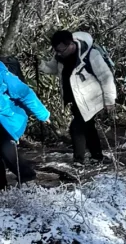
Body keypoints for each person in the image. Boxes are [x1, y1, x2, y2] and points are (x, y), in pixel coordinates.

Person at [45, 29, 117, 167]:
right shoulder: (60, 57)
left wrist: (109, 100)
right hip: (75, 100)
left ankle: (79, 161)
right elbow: (51, 69)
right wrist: (40, 64)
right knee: (88, 128)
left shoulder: (91, 54)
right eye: (57, 51)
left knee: (76, 128)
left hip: (91, 99)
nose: (59, 53)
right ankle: (97, 156)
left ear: (71, 44)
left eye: (62, 50)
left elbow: (106, 76)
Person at [0, 60, 48, 189]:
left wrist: (43, 114)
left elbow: (24, 93)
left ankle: (28, 178)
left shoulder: (2, 72)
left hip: (6, 119)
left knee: (6, 148)